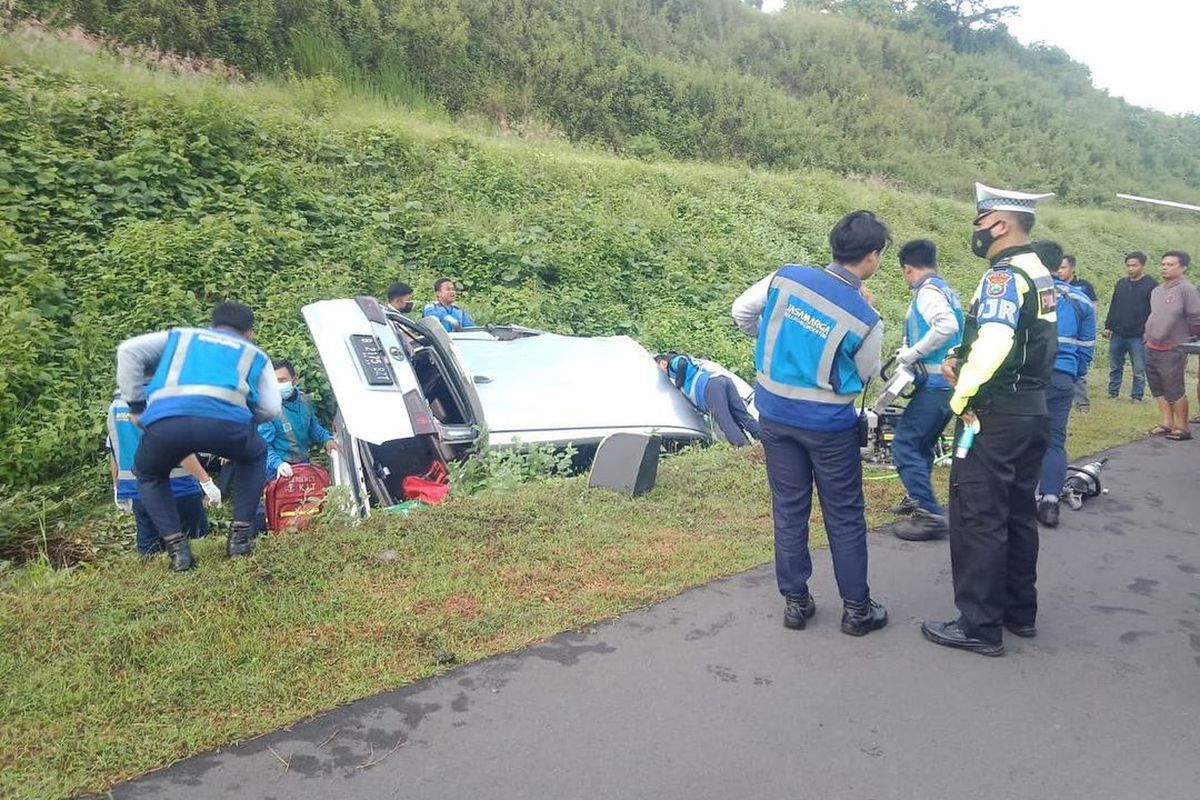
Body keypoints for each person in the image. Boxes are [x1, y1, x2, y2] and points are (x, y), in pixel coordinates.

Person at [731, 210, 889, 637]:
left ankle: (795, 603)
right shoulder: (865, 318)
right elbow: (869, 372)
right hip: (829, 426)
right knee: (844, 515)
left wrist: (775, 342)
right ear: (872, 258)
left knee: (788, 507)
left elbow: (742, 311)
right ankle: (857, 610)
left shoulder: (786, 277)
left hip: (775, 414)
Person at [921, 183, 1057, 657]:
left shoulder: (1002, 276)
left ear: (999, 224)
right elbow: (1024, 342)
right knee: (1018, 513)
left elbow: (997, 339)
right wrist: (966, 356)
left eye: (980, 222)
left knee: (979, 515)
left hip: (994, 415)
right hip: (1032, 411)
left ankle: (979, 625)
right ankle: (1020, 612)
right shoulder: (1039, 271)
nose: (976, 232)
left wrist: (962, 396)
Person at [116, 301, 281, 571]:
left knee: (149, 475)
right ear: (249, 332)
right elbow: (271, 408)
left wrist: (136, 406)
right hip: (227, 425)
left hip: (168, 423)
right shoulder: (254, 354)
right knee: (255, 455)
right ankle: (239, 538)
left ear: (211, 325)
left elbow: (128, 352)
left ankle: (178, 550)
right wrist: (246, 424)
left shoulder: (181, 337)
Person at [888, 239, 964, 542]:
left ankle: (930, 514)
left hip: (934, 385)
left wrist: (912, 353)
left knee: (904, 445)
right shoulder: (945, 289)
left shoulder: (928, 292)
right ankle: (917, 497)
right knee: (922, 446)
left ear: (908, 269)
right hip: (946, 385)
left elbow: (945, 327)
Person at [108, 386, 221, 555]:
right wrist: (206, 482)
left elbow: (115, 450)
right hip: (177, 488)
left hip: (139, 491)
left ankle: (151, 579)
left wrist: (117, 486)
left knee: (151, 553)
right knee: (195, 547)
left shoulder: (117, 403)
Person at [1035, 241, 1095, 527]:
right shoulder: (1082, 299)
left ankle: (1019, 501)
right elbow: (1087, 346)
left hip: (1030, 378)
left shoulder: (1027, 290)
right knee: (1054, 441)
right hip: (1063, 377)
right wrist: (1073, 372)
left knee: (1020, 439)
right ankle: (1049, 503)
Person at [1143, 251, 1200, 441]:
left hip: (1173, 346)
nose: (1165, 267)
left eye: (1170, 264)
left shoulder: (1186, 289)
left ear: (1183, 268)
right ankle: (1166, 423)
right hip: (1152, 344)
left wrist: (1189, 338)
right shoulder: (1157, 290)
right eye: (1163, 264)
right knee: (1157, 387)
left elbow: (1195, 316)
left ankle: (1182, 427)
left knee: (1174, 386)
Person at [654, 353, 760, 447]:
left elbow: (681, 363)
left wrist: (678, 384)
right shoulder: (693, 364)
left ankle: (743, 448)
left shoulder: (674, 361)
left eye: (660, 370)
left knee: (725, 421)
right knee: (741, 415)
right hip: (721, 379)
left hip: (709, 386)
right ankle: (761, 439)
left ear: (663, 363)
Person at [258, 358, 338, 479]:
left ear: (294, 380)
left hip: (302, 463)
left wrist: (327, 439)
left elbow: (312, 426)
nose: (277, 385)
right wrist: (278, 464)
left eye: (282, 380)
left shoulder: (305, 401)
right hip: (277, 469)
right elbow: (263, 446)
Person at [1104, 251, 1156, 402]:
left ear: (1143, 266)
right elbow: (1114, 306)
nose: (1131, 269)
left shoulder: (1151, 285)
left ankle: (1137, 396)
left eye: (1134, 265)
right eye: (1128, 266)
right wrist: (1108, 326)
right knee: (1115, 366)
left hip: (1138, 335)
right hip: (1118, 332)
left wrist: (1149, 330)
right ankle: (1113, 392)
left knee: (1139, 368)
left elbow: (1155, 310)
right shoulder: (1121, 283)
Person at [1057, 255, 1096, 411]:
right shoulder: (1047, 288)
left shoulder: (1084, 287)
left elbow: (1092, 309)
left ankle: (1082, 404)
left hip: (1077, 335)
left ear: (1073, 268)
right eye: (1058, 267)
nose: (1060, 271)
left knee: (1079, 371)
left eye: (1064, 267)